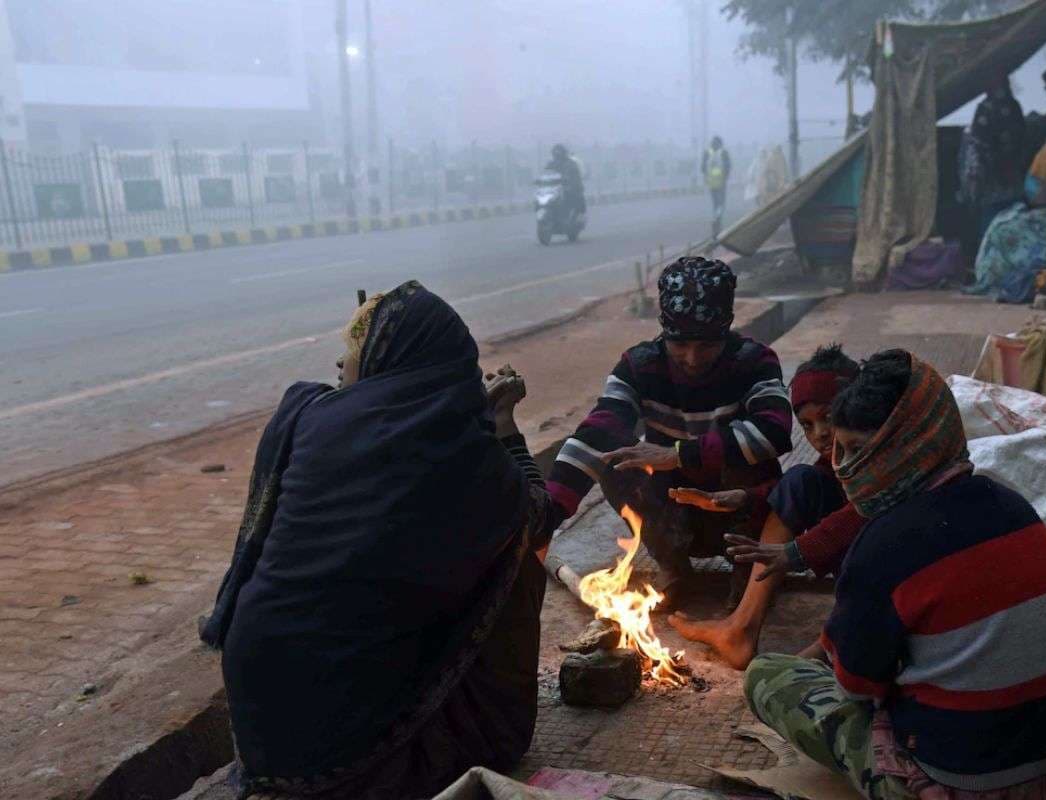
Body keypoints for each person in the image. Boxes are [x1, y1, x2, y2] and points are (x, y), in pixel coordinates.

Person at [199, 281, 555, 799]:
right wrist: (503, 426)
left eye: (352, 354)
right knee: (516, 554)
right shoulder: (467, 459)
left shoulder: (311, 416)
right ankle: (483, 729)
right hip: (338, 743)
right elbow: (538, 515)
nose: (341, 367)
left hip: (262, 711)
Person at [742, 349, 1046, 800]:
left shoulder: (882, 545)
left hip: (955, 783)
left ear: (902, 444)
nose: (843, 466)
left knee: (767, 674)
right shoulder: (1013, 504)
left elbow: (856, 687)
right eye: (838, 449)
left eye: (856, 450)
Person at [546, 256, 793, 610]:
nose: (692, 358)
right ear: (663, 332)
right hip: (674, 514)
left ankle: (747, 572)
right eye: (680, 345)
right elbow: (600, 430)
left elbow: (775, 431)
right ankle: (674, 567)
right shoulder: (638, 366)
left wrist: (677, 454)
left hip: (740, 510)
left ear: (727, 330)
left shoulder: (754, 362)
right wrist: (548, 514)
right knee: (617, 462)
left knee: (746, 457)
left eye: (707, 345)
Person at [669, 344, 869, 669]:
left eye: (829, 418)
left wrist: (795, 552)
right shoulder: (838, 456)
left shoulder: (883, 453)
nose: (819, 434)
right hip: (859, 549)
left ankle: (823, 653)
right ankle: (742, 628)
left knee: (876, 559)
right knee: (799, 481)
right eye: (806, 424)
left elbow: (865, 510)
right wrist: (746, 497)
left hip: (889, 558)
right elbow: (815, 481)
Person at [965, 52, 1046, 304]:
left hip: (1002, 183)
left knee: (996, 229)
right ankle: (992, 272)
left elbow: (992, 145)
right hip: (1001, 183)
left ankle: (994, 274)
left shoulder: (996, 108)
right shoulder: (998, 108)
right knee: (994, 228)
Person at [957, 77, 1026, 264]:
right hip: (994, 179)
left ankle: (1006, 263)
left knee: (1012, 223)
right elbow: (978, 145)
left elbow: (1021, 138)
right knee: (992, 225)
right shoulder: (986, 109)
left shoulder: (1012, 107)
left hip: (1010, 178)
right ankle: (992, 263)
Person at [546, 143, 586, 221]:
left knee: (572, 197)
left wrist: (568, 179)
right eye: (555, 154)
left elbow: (574, 175)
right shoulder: (551, 163)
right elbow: (545, 172)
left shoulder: (570, 163)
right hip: (556, 187)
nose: (557, 156)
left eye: (559, 154)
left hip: (571, 186)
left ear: (563, 154)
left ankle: (572, 217)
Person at [702, 135, 732, 236]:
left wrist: (707, 177)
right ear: (720, 143)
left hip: (711, 183)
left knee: (715, 204)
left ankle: (716, 219)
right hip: (721, 182)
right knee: (721, 204)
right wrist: (726, 177)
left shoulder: (707, 152)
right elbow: (728, 166)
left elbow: (702, 168)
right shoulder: (723, 152)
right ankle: (717, 220)